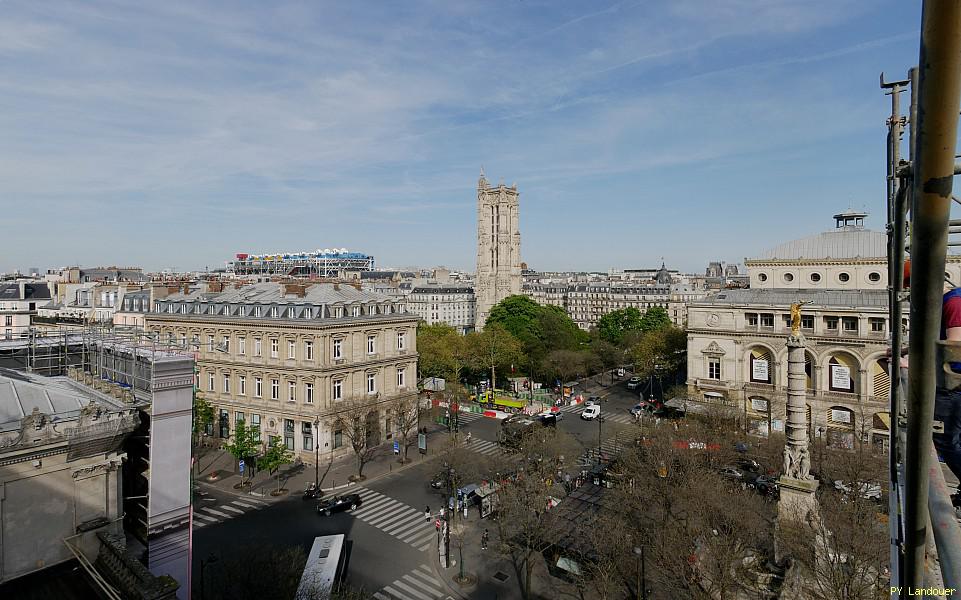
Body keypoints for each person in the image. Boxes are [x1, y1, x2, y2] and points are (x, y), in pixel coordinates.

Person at [902, 260, 961, 507]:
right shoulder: (947, 303)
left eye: (910, 288)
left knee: (945, 437)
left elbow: (954, 349)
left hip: (953, 386)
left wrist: (916, 365)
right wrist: (905, 350)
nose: (909, 295)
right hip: (948, 384)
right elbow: (935, 341)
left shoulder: (954, 303)